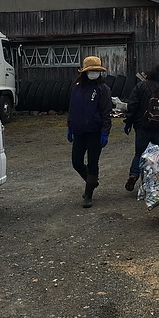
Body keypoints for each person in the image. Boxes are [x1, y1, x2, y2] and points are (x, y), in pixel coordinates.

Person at [67, 56, 112, 208]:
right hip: (79, 131)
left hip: (95, 132)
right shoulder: (77, 88)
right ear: (85, 72)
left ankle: (88, 194)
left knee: (93, 162)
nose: (93, 73)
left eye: (96, 71)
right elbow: (72, 108)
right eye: (91, 70)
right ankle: (92, 181)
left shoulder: (103, 90)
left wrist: (105, 132)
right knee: (76, 161)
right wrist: (70, 126)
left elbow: (106, 113)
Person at [123, 64, 159, 192]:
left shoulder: (141, 86)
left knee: (139, 153)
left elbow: (132, 105)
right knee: (158, 157)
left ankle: (134, 174)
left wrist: (128, 122)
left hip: (142, 126)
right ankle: (154, 182)